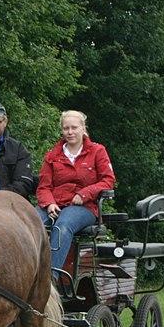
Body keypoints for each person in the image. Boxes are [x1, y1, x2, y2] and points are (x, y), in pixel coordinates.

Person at [36, 110, 116, 280]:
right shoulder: (52, 155)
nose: (70, 132)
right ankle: (26, 273)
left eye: (74, 127)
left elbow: (108, 180)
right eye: (66, 128)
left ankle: (49, 280)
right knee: (29, 223)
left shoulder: (97, 151)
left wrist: (85, 193)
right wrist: (49, 203)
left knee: (62, 226)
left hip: (84, 207)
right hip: (55, 204)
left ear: (83, 128)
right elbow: (43, 187)